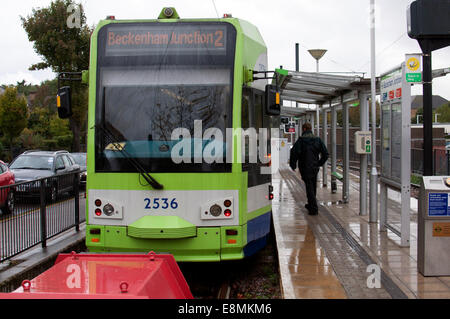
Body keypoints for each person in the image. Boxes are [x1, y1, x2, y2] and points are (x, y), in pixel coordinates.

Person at [289, 122, 329, 215]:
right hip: (314, 167)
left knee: (309, 187)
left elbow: (294, 153)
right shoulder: (318, 140)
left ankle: (313, 208)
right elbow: (326, 154)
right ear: (311, 129)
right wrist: (319, 163)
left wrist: (293, 165)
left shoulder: (301, 141)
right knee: (312, 186)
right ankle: (311, 204)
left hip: (304, 167)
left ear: (303, 129)